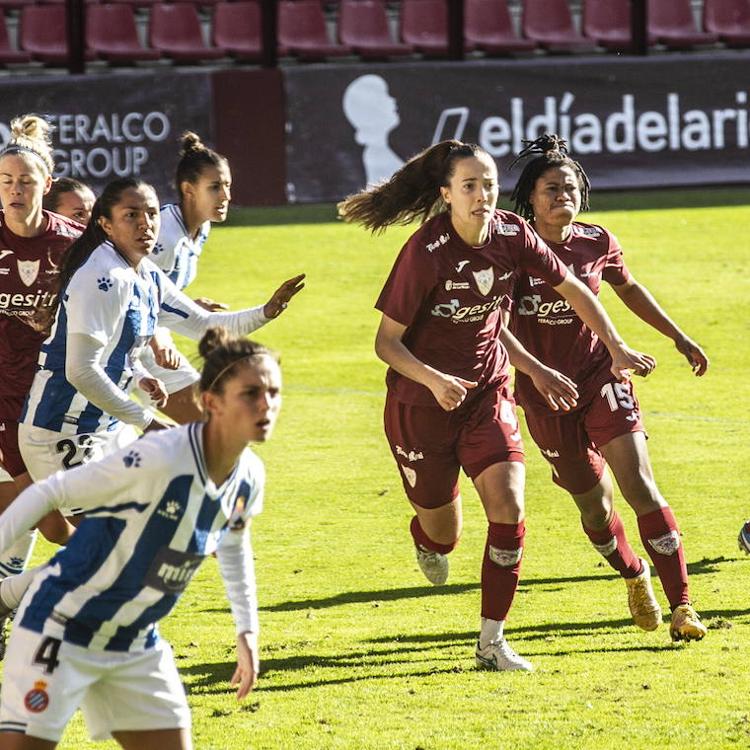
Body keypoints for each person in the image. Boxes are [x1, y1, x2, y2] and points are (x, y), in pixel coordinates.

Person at [338, 139, 655, 672]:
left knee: (509, 509)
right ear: (447, 195)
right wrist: (435, 379)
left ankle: (492, 642)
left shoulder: (513, 233)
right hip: (421, 404)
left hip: (487, 394)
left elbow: (573, 286)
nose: (483, 194)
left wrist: (616, 345)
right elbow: (386, 344)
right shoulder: (425, 251)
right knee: (444, 533)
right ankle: (427, 538)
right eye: (470, 186)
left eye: (488, 184)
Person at [0, 327, 281, 749]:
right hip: (60, 628)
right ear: (211, 402)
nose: (267, 405)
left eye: (274, 392)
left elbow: (233, 542)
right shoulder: (160, 455)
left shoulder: (250, 476)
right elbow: (50, 492)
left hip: (134, 643)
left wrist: (247, 632)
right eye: (251, 393)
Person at [504, 134, 708, 642]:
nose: (562, 197)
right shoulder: (511, 252)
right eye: (551, 189)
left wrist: (677, 336)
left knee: (639, 485)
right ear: (530, 197)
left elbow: (629, 287)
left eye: (570, 188)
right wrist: (534, 372)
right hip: (543, 394)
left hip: (600, 378)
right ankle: (634, 574)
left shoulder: (595, 241)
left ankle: (684, 606)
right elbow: (493, 324)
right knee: (594, 507)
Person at [19, 177, 303, 490]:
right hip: (61, 430)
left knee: (151, 515)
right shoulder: (104, 276)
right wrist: (147, 421)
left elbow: (202, 324)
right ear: (106, 224)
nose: (145, 224)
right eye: (132, 215)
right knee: (118, 531)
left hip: (102, 427)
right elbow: (80, 370)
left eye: (152, 214)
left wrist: (267, 310)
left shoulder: (145, 273)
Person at [0, 114, 83, 618]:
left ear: (45, 186)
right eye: (6, 182)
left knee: (50, 516)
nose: (15, 191)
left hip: (58, 397)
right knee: (48, 518)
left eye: (26, 182)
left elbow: (118, 300)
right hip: (5, 396)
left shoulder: (73, 244)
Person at [144, 132, 286, 424]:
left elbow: (159, 296)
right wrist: (163, 334)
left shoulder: (201, 229)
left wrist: (184, 304)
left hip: (152, 339)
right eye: (215, 187)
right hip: (136, 345)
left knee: (204, 427)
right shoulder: (164, 237)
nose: (226, 196)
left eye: (227, 185)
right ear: (188, 189)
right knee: (207, 426)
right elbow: (132, 299)